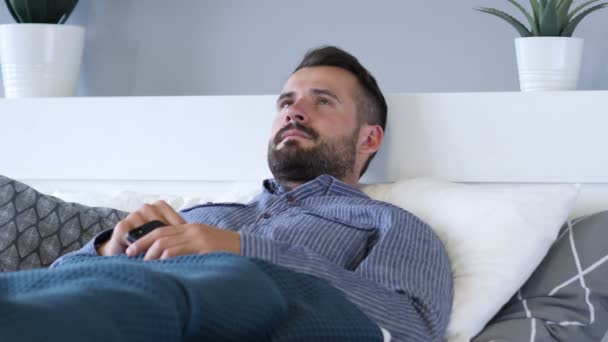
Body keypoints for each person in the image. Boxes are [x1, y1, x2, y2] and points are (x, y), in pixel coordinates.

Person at [54, 46, 453, 341]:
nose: (294, 112)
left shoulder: (389, 224)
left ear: (369, 138)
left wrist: (244, 250)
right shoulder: (200, 213)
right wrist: (109, 250)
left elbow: (409, 326)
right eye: (286, 102)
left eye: (322, 101)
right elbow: (50, 285)